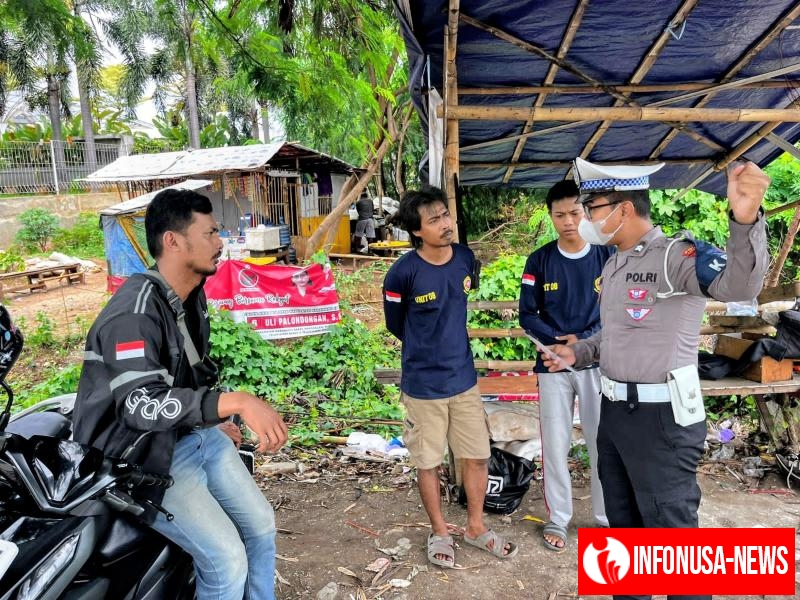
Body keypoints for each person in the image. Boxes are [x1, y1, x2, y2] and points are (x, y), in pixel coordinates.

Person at [544, 158, 769, 600]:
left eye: (592, 208)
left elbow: (740, 287)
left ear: (623, 209)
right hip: (615, 414)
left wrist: (744, 220)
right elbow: (617, 334)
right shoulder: (614, 264)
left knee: (674, 541)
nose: (585, 219)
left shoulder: (676, 256)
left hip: (662, 418)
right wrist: (579, 351)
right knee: (624, 537)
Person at [72, 188, 289, 600]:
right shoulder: (133, 313)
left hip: (187, 436)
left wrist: (211, 419)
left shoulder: (189, 297)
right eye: (209, 233)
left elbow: (190, 372)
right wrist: (236, 401)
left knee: (260, 526)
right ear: (173, 240)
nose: (220, 242)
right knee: (226, 560)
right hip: (140, 457)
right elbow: (140, 404)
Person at [382, 186, 518, 568]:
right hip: (423, 386)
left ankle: (475, 527)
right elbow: (396, 325)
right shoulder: (402, 274)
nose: (446, 224)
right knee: (428, 462)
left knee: (477, 456)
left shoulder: (465, 259)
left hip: (464, 380)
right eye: (434, 220)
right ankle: (440, 531)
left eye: (445, 214)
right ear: (417, 230)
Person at [519, 180, 613, 553]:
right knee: (555, 444)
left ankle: (606, 518)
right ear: (551, 216)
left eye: (575, 213)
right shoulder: (539, 260)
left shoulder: (607, 256)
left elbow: (615, 312)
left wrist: (581, 343)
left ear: (586, 212)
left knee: (601, 442)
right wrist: (557, 346)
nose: (569, 221)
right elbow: (528, 314)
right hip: (551, 365)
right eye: (560, 215)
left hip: (596, 364)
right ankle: (558, 517)